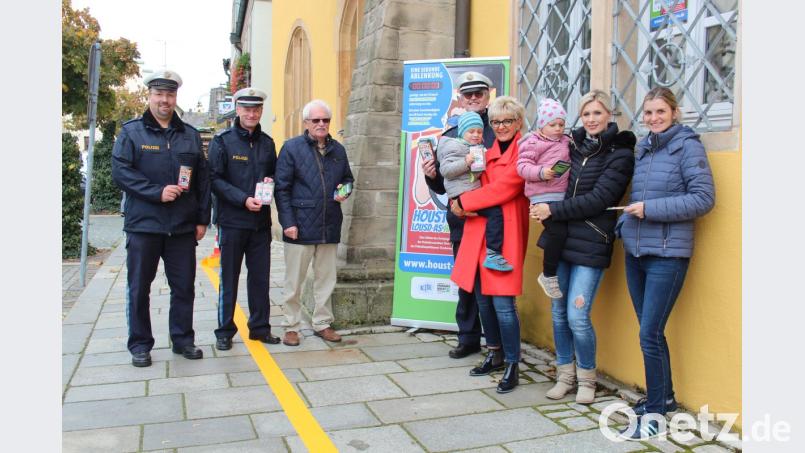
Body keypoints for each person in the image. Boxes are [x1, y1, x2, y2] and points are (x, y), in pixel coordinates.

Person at [616, 87, 715, 440]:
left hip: (668, 255)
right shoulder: (644, 148)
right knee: (650, 331)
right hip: (637, 253)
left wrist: (650, 210)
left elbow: (703, 199)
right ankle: (666, 396)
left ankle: (655, 412)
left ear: (674, 112)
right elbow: (637, 198)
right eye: (648, 113)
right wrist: (624, 224)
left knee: (649, 333)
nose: (654, 118)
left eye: (660, 111)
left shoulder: (687, 146)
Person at [530, 89, 635, 403]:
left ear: (609, 116)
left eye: (597, 113)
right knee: (558, 313)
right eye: (586, 114)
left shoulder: (620, 153)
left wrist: (553, 210)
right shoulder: (570, 147)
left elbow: (600, 200)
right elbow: (553, 178)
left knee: (577, 315)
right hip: (559, 239)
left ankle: (587, 379)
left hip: (591, 240)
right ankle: (565, 376)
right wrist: (540, 202)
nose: (591, 119)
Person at [112, 70, 211, 367]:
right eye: (159, 94)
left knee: (184, 287)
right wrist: (156, 192)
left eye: (169, 94)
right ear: (149, 96)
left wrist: (202, 219)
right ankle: (140, 344)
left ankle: (183, 339)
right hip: (144, 225)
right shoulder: (131, 133)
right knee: (139, 287)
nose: (164, 100)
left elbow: (202, 181)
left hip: (181, 227)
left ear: (175, 97)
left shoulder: (190, 135)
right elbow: (121, 173)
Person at [450, 96, 530, 394]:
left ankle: (512, 362)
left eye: (507, 121)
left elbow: (506, 187)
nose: (501, 127)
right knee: (483, 299)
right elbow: (468, 179)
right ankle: (494, 353)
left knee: (503, 303)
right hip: (478, 229)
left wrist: (463, 201)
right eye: (495, 122)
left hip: (504, 231)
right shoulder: (484, 150)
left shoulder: (525, 149)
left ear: (518, 122)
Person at [421, 70, 496, 359]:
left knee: (492, 279)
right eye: (468, 94)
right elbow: (443, 184)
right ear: (461, 99)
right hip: (461, 217)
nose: (474, 98)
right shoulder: (450, 136)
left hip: (491, 217)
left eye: (479, 93)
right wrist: (430, 177)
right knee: (466, 279)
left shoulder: (499, 129)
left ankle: (496, 340)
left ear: (488, 95)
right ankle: (468, 337)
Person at [274, 99, 354, 346]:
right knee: (294, 282)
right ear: (306, 122)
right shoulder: (291, 148)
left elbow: (348, 179)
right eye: (316, 120)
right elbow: (282, 188)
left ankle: (322, 323)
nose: (321, 124)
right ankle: (291, 326)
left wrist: (345, 190)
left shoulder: (338, 150)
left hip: (329, 224)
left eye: (325, 120)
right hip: (298, 225)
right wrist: (288, 222)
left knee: (326, 280)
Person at [208, 87, 281, 351]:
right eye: (246, 109)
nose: (251, 113)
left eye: (256, 109)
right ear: (237, 109)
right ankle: (225, 330)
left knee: (260, 278)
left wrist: (271, 183)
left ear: (261, 111)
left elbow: (274, 175)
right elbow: (214, 180)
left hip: (260, 224)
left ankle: (260, 328)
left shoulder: (268, 143)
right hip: (232, 221)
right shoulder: (223, 141)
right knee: (229, 277)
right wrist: (242, 199)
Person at [438, 111, 512, 271]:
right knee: (495, 213)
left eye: (479, 131)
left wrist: (479, 163)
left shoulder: (474, 148)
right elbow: (445, 170)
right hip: (462, 195)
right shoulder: (454, 147)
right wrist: (466, 161)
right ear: (462, 132)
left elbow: (475, 174)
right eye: (471, 132)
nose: (476, 135)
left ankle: (492, 254)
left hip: (470, 193)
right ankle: (493, 254)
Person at [517, 98, 571, 298]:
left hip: (561, 196)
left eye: (561, 124)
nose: (558, 128)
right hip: (542, 195)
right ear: (542, 124)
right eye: (553, 125)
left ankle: (549, 266)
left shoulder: (565, 140)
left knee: (560, 231)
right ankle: (548, 274)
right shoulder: (532, 142)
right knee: (558, 232)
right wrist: (541, 172)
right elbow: (522, 167)